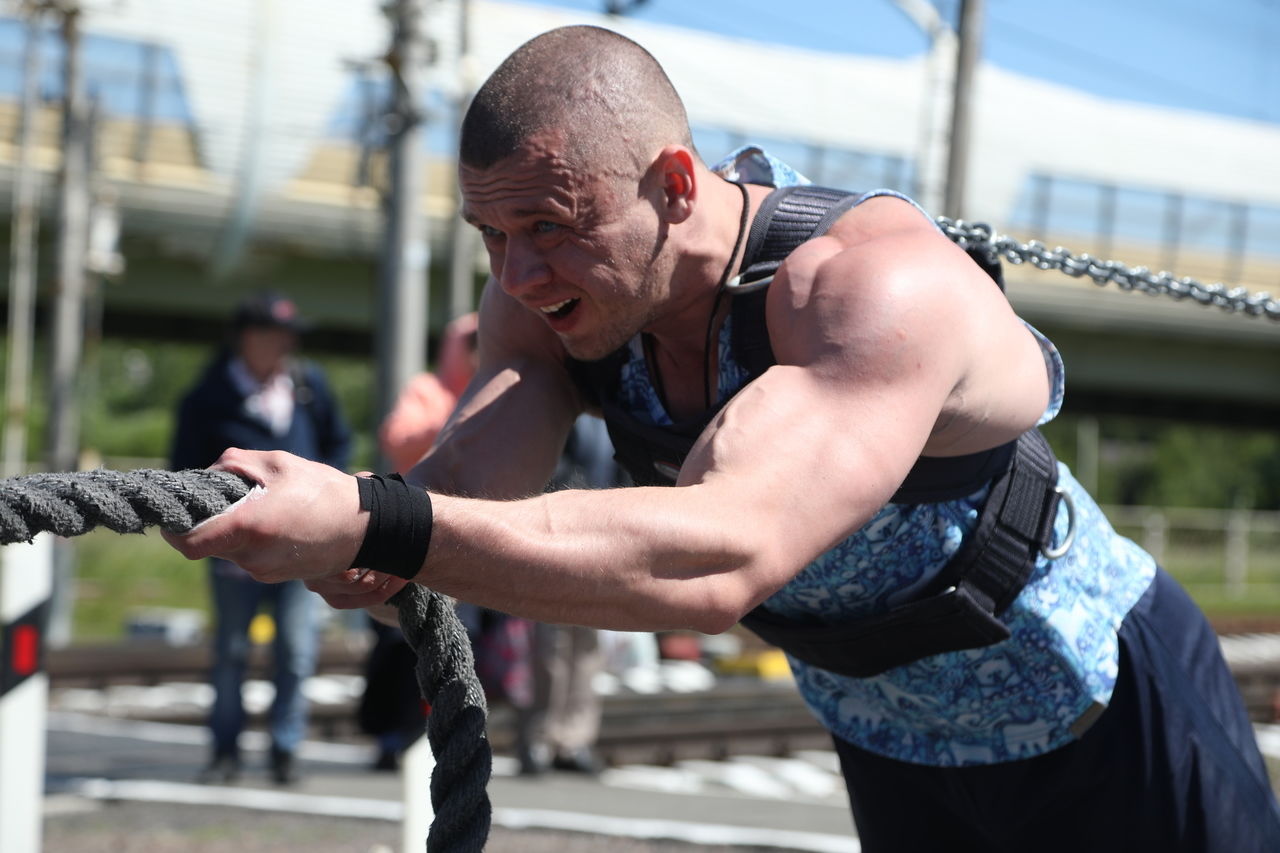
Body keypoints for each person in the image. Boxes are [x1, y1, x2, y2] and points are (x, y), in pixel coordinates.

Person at [165, 26, 1280, 851]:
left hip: (1090, 696)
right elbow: (470, 483)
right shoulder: (551, 293)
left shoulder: (863, 286)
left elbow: (716, 553)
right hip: (890, 736)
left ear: (675, 184)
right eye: (491, 236)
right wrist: (358, 526)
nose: (515, 274)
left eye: (550, 227)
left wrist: (382, 524)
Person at [170, 290, 352, 785]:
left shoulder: (307, 385)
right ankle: (225, 751)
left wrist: (327, 504)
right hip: (233, 550)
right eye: (276, 333)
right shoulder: (208, 396)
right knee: (230, 651)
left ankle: (285, 751)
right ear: (247, 338)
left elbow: (339, 443)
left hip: (301, 547)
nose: (287, 343)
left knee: (296, 650)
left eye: (290, 334)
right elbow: (181, 472)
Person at [517, 414, 626, 776]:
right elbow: (548, 470)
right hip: (558, 533)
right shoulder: (562, 409)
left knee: (587, 648)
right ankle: (539, 737)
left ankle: (574, 738)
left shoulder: (618, 410)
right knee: (551, 647)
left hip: (605, 536)